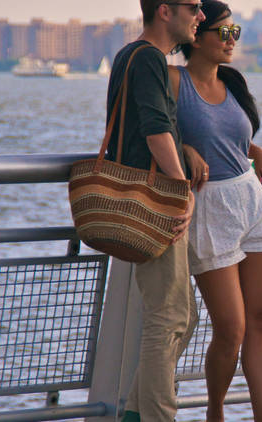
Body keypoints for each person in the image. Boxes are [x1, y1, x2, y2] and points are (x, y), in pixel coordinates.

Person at [168, 1, 262, 420]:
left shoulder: (232, 82)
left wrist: (257, 150)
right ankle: (215, 411)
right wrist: (182, 149)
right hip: (209, 208)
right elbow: (148, 129)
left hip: (251, 201)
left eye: (236, 33)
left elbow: (232, 135)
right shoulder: (172, 80)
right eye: (224, 32)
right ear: (196, 36)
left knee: (261, 320)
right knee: (230, 327)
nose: (232, 40)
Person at [105, 1, 205, 421]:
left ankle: (133, 413)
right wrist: (182, 190)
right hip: (156, 203)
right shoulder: (147, 59)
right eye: (194, 7)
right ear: (165, 11)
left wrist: (181, 147)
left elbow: (151, 125)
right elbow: (154, 128)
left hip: (140, 199)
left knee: (185, 315)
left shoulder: (132, 55)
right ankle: (159, 417)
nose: (200, 15)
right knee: (168, 319)